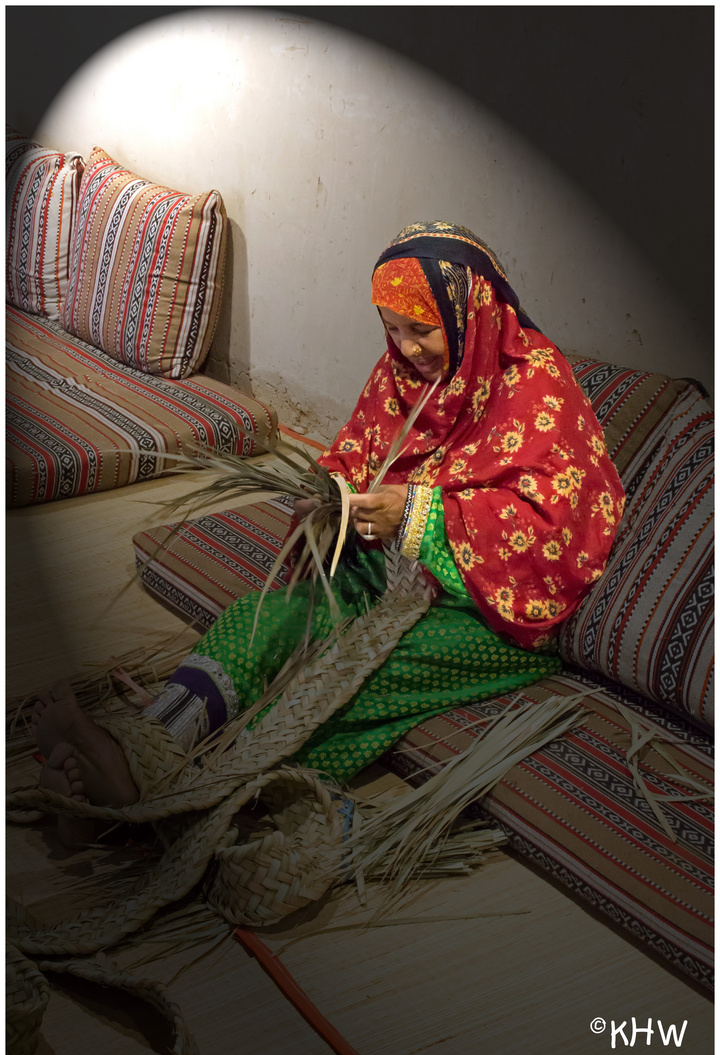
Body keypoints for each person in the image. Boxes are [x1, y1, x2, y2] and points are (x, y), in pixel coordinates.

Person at [33, 221, 625, 825]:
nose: (406, 349)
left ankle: (198, 792)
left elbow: (555, 534)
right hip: (385, 573)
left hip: (489, 613)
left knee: (358, 676)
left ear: (468, 316)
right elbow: (355, 450)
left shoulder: (536, 389)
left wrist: (418, 514)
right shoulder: (401, 370)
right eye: (391, 330)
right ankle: (151, 744)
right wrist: (329, 495)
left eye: (421, 331)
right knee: (267, 619)